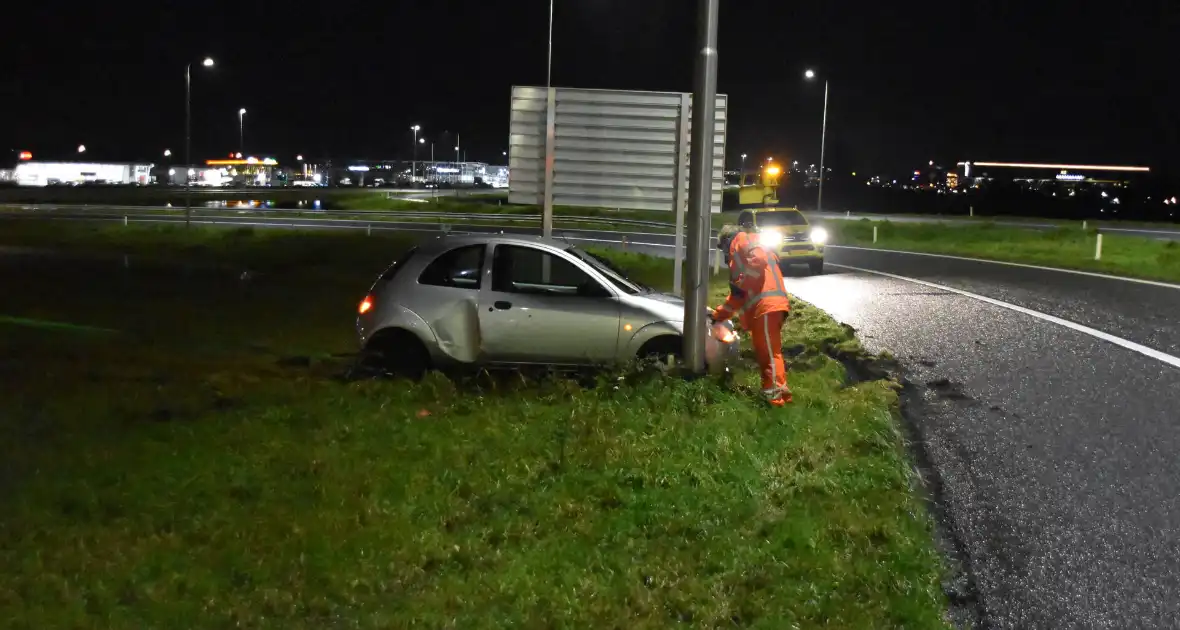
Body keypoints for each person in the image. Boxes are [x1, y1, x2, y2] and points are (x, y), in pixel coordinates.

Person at [710, 230, 792, 406]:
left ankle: (774, 398)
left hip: (766, 305)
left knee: (768, 353)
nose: (724, 253)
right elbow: (736, 298)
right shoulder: (740, 256)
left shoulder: (741, 240)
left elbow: (759, 261)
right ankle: (781, 392)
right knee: (770, 352)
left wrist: (744, 282)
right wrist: (718, 315)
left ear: (726, 241)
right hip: (770, 306)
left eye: (722, 247)